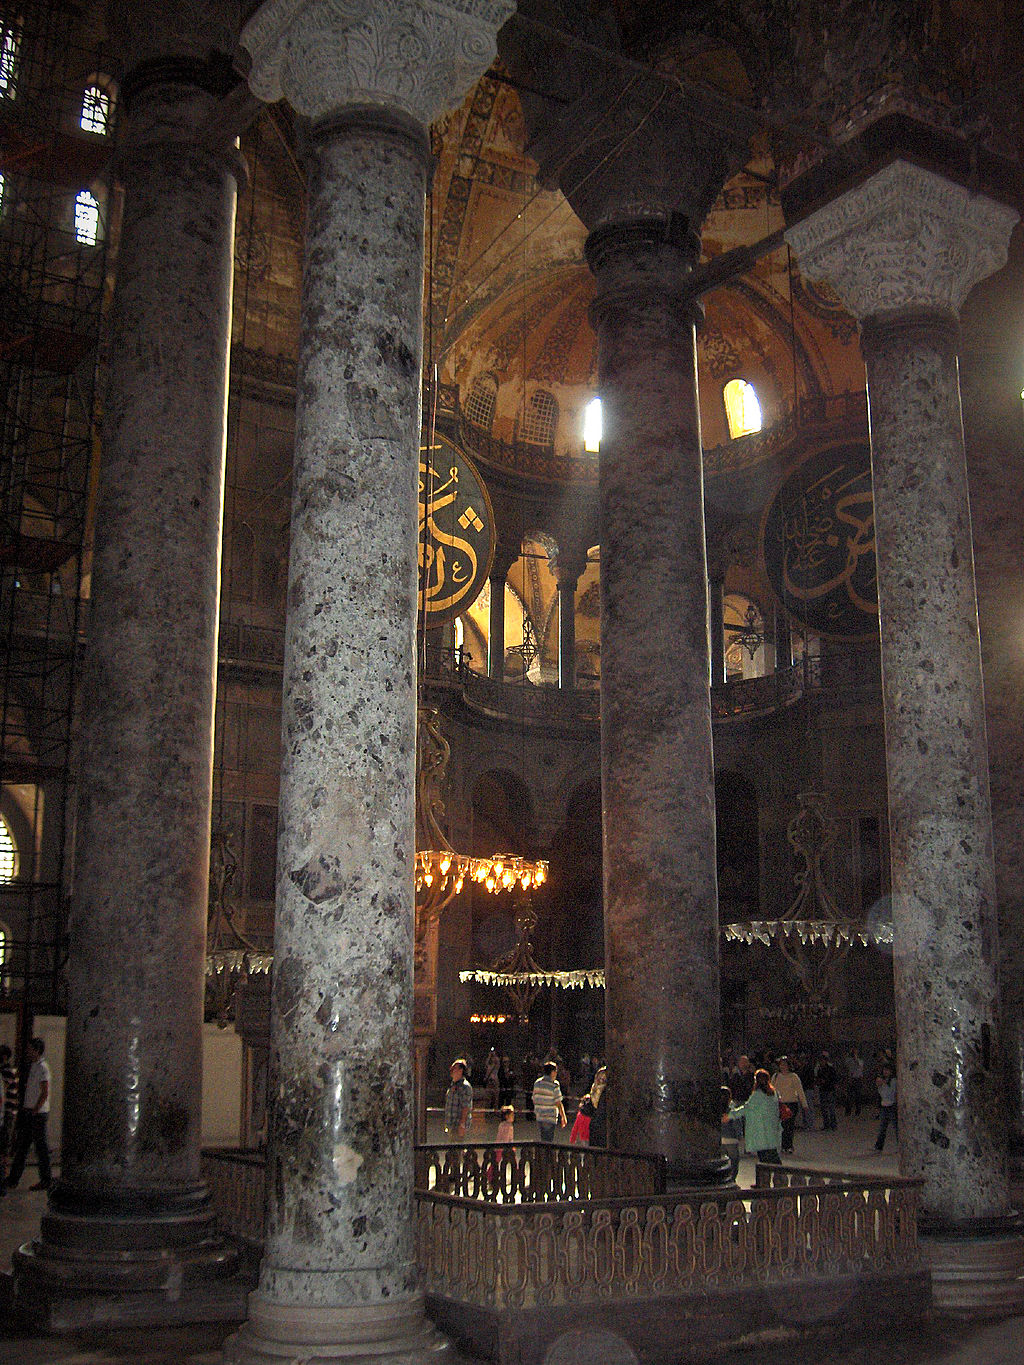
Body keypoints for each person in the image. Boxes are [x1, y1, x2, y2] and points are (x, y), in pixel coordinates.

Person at [8, 1037, 51, 1191]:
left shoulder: (42, 1068)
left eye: (30, 1049)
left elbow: (45, 1092)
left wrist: (35, 1109)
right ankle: (13, 1179)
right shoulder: (33, 1066)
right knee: (23, 1146)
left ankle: (46, 1179)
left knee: (40, 1148)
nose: (27, 1051)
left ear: (37, 1050)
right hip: (30, 1111)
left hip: (37, 1113)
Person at [726, 1068, 782, 1165]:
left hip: (761, 1133)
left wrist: (731, 1115)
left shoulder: (757, 1095)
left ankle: (774, 1178)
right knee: (773, 1156)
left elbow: (746, 1108)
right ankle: (780, 1177)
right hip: (771, 1131)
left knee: (765, 1160)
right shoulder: (773, 1094)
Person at [771, 1055, 808, 1154]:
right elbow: (771, 1090)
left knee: (790, 1125)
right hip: (780, 1104)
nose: (783, 1067)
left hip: (791, 1103)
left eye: (785, 1065)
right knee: (782, 1126)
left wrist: (804, 1104)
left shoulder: (794, 1077)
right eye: (781, 1065)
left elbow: (800, 1091)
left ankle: (789, 1145)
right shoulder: (775, 1077)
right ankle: (783, 1145)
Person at [531, 1060, 567, 1142]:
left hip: (540, 1116)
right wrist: (563, 1116)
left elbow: (534, 1098)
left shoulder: (537, 1083)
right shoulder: (554, 1084)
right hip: (550, 1117)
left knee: (543, 1138)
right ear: (552, 1072)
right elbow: (558, 1102)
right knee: (548, 1141)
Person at [443, 1058, 473, 1140]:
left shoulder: (465, 1087)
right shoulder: (452, 1085)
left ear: (461, 1070)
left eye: (454, 1068)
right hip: (451, 1124)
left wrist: (462, 1124)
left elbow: (465, 1107)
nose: (452, 1071)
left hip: (458, 1124)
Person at [875, 1063, 898, 1151]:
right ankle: (879, 1145)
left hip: (891, 1106)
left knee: (896, 1128)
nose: (885, 1072)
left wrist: (883, 1084)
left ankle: (900, 1146)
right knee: (882, 1128)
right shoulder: (883, 1080)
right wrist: (879, 1086)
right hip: (884, 1106)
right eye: (884, 1070)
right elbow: (882, 1094)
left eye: (887, 1070)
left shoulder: (893, 1081)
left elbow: (890, 1094)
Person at [815, 1051, 839, 1131]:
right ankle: (826, 1125)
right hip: (823, 1090)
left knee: (831, 1108)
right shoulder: (820, 1070)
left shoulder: (830, 1069)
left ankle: (833, 1124)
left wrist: (827, 1081)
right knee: (824, 1109)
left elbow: (834, 1079)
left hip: (830, 1090)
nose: (821, 1062)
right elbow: (818, 1079)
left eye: (823, 1060)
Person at [844, 1044, 864, 1116]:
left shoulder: (860, 1060)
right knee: (849, 1095)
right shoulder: (849, 1059)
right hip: (851, 1078)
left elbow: (860, 1065)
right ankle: (848, 1111)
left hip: (858, 1078)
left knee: (858, 1095)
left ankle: (858, 1111)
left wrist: (856, 1058)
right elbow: (847, 1065)